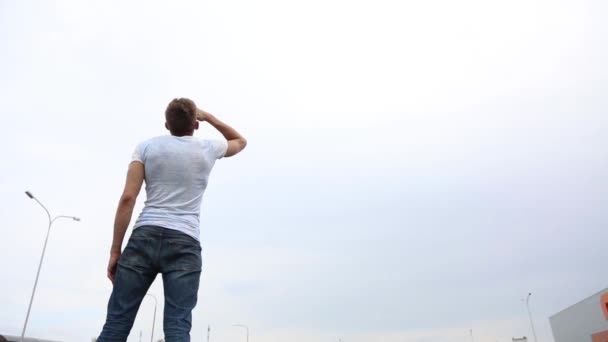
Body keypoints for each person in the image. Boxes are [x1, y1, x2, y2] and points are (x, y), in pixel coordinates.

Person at [97, 98, 247, 341]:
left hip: (144, 236)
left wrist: (116, 251)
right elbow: (240, 141)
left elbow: (128, 198)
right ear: (195, 125)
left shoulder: (146, 147)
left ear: (167, 124)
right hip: (185, 241)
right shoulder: (208, 148)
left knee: (116, 323)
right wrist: (208, 116)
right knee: (177, 327)